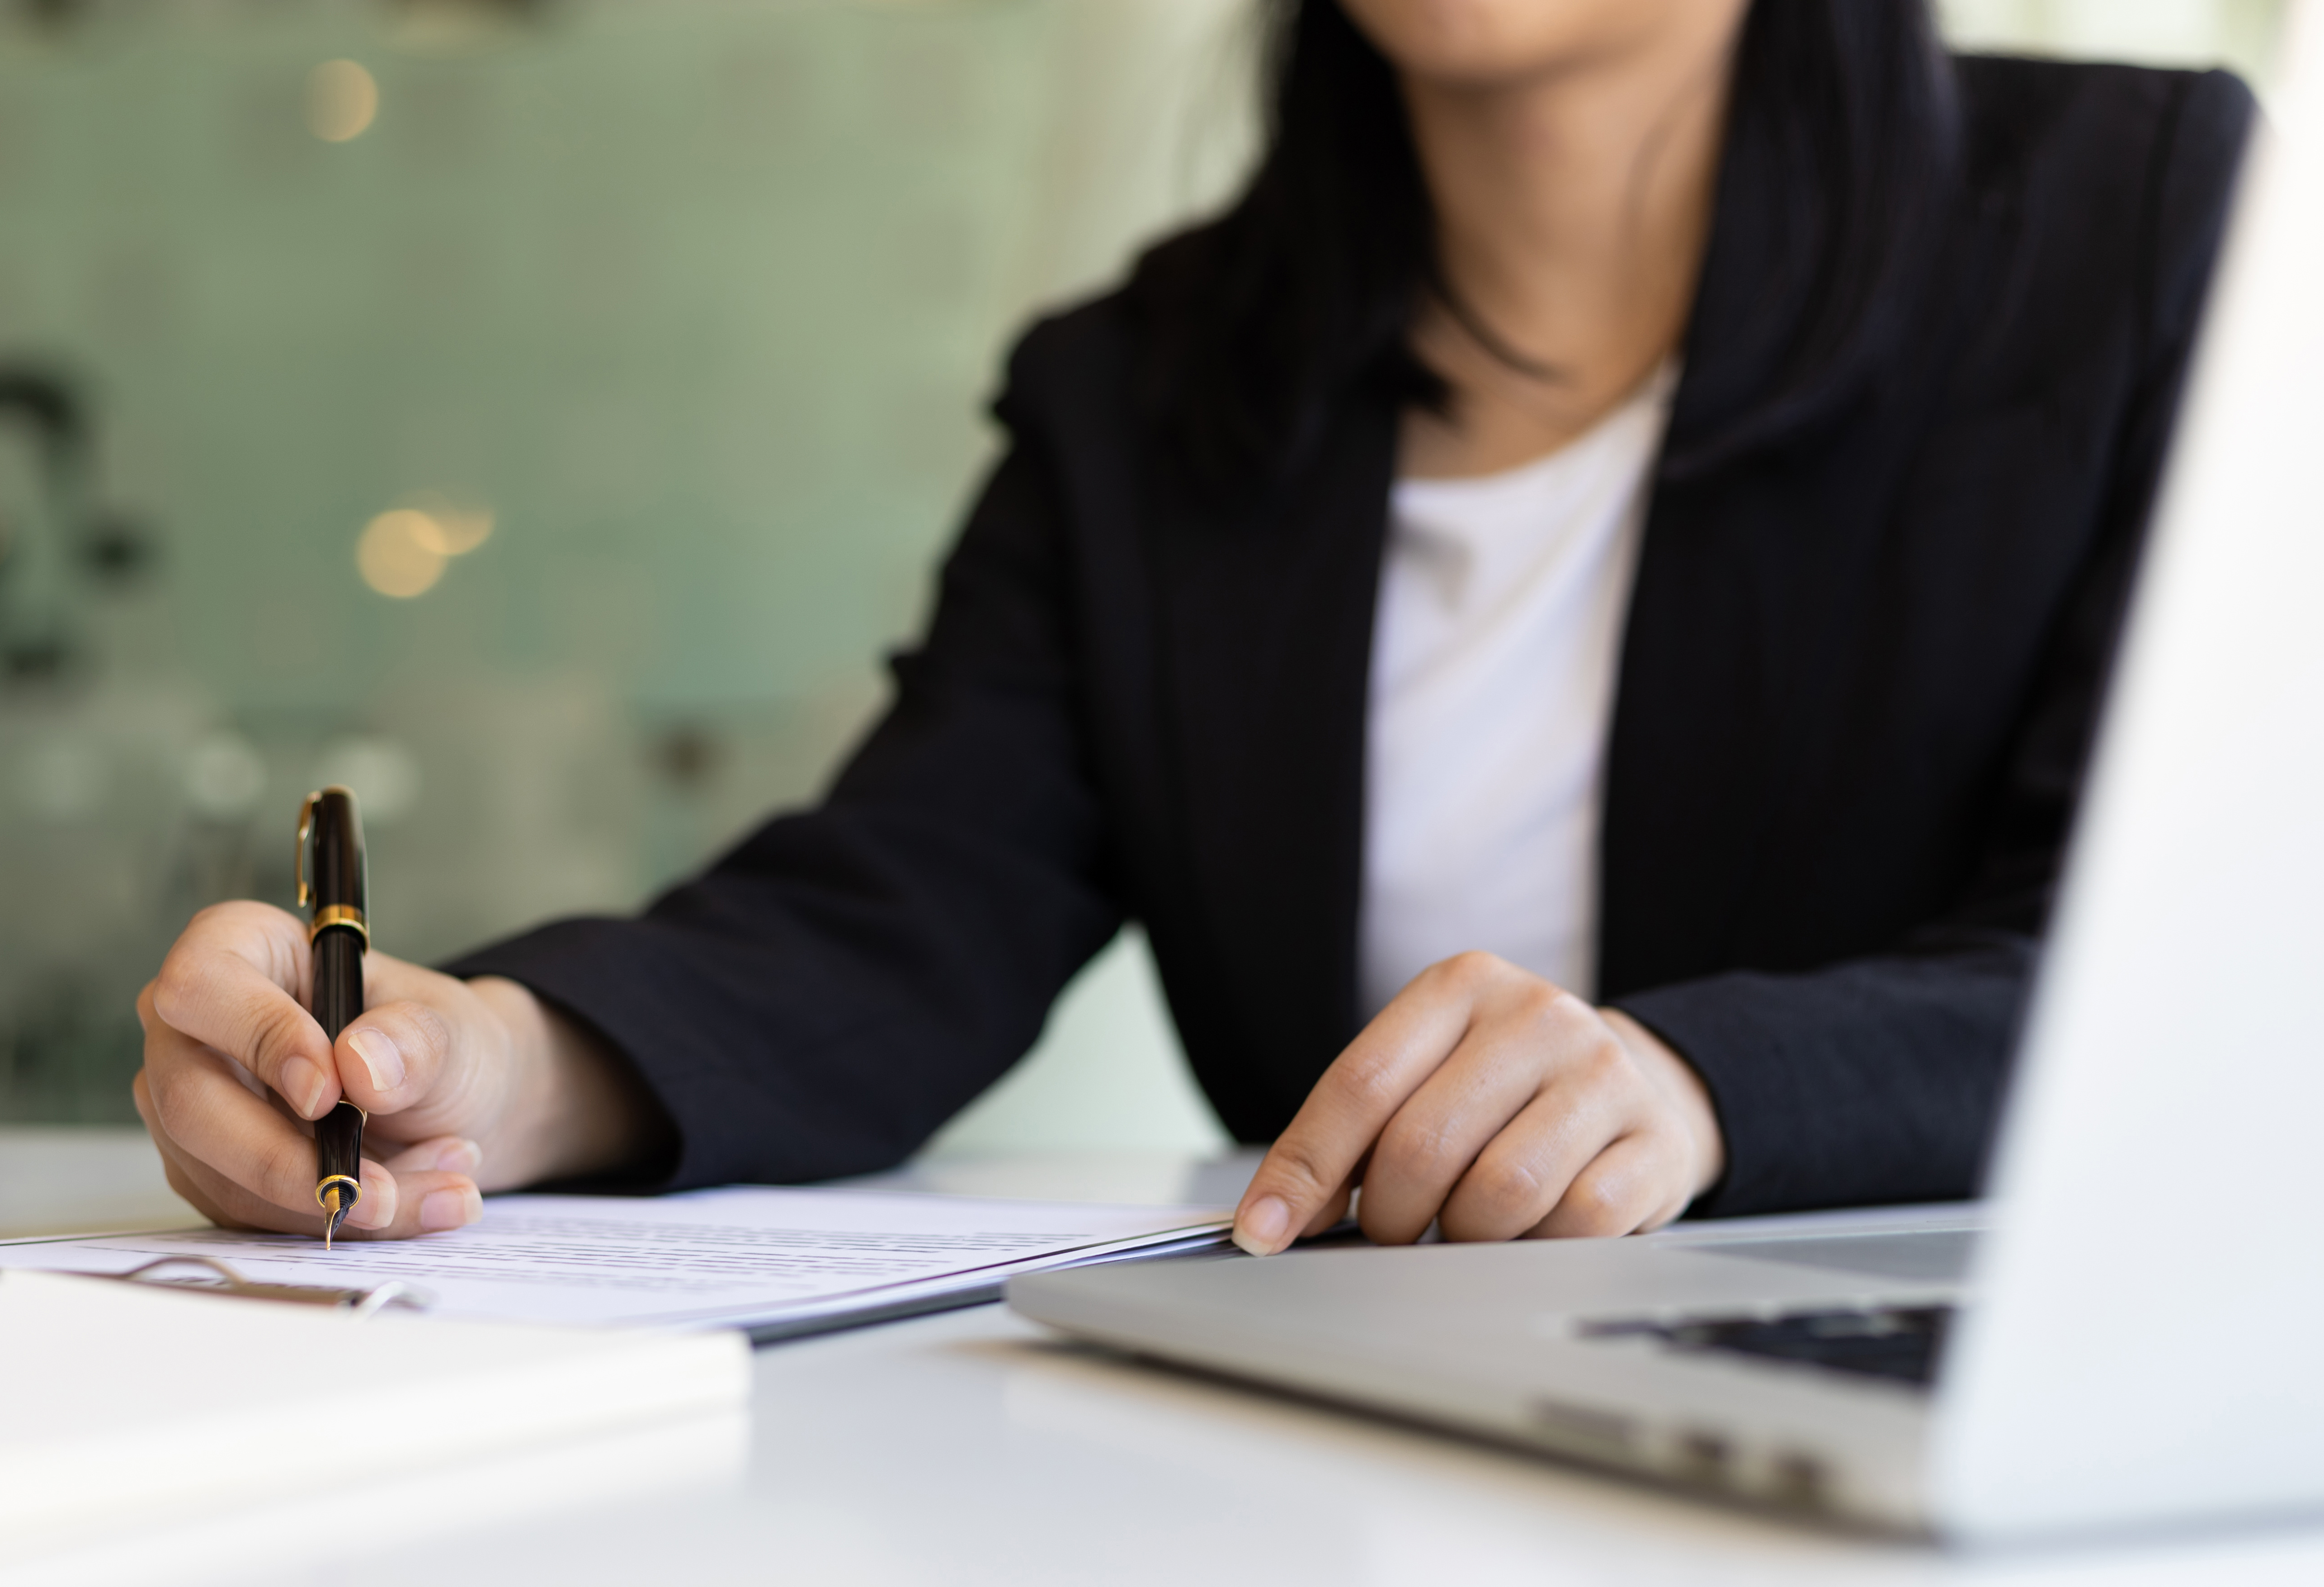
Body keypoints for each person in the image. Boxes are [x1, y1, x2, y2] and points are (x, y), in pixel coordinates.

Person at [132, 0, 2252, 1256]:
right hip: (1321, 1477)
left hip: (1951, 1438)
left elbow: (2193, 953)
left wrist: (1702, 1087)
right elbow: (897, 920)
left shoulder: (2142, 223)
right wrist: (487, 1063)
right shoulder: (1146, 390)